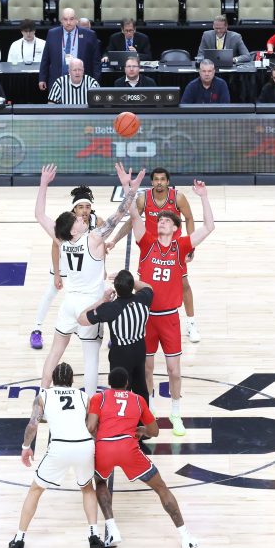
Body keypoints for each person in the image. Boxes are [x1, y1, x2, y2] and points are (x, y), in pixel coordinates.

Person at [34, 162, 143, 398]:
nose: (84, 219)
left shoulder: (62, 239)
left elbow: (39, 215)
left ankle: (41, 397)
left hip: (69, 304)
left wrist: (43, 184)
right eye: (79, 221)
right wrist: (130, 189)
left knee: (55, 352)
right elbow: (121, 213)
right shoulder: (93, 238)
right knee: (91, 357)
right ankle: (92, 403)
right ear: (73, 230)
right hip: (91, 305)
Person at [124, 168, 215, 436]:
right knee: (148, 369)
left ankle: (176, 413)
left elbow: (209, 227)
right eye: (160, 219)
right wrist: (128, 187)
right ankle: (148, 414)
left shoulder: (181, 246)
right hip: (147, 317)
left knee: (174, 370)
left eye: (166, 220)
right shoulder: (147, 243)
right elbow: (131, 214)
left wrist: (204, 197)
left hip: (170, 318)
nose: (161, 221)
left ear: (175, 228)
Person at [87, 368, 198, 548]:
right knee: (161, 488)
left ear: (109, 384)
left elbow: (91, 426)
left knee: (99, 482)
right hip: (129, 449)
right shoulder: (138, 400)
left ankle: (112, 529)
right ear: (127, 384)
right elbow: (154, 431)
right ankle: (185, 536)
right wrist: (142, 431)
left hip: (105, 447)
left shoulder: (99, 398)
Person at [9, 362, 103, 548]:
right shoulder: (83, 396)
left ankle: (19, 539)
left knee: (35, 490)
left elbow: (33, 425)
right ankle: (94, 534)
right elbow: (93, 426)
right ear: (71, 380)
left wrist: (26, 447)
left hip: (60, 446)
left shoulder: (43, 395)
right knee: (87, 488)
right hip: (84, 445)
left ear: (53, 379)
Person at [108, 167, 203, 343]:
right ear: (152, 182)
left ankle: (191, 323)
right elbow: (132, 220)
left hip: (173, 250)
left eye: (162, 179)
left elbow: (189, 218)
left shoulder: (178, 197)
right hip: (150, 250)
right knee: (143, 288)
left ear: (168, 182)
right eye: (156, 179)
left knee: (184, 284)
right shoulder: (144, 198)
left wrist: (191, 247)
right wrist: (114, 240)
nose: (159, 182)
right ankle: (138, 323)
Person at [29, 186, 105, 350]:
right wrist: (57, 274)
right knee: (51, 291)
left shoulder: (97, 221)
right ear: (74, 209)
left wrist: (102, 269)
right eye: (80, 207)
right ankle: (36, 329)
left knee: (103, 293)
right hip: (65, 261)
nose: (84, 210)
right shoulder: (66, 223)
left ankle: (111, 335)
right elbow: (56, 247)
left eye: (87, 206)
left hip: (85, 266)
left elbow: (101, 248)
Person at [78, 271, 153, 404]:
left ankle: (120, 420)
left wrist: (103, 300)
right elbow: (148, 287)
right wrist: (129, 280)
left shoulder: (111, 308)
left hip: (121, 354)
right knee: (141, 388)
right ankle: (143, 421)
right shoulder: (143, 298)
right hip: (140, 348)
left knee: (119, 392)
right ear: (131, 286)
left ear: (116, 289)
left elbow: (82, 318)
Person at [38, 8, 101, 93]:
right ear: (61, 21)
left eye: (71, 19)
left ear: (76, 20)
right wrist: (42, 78)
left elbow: (96, 61)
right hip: (57, 81)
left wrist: (95, 81)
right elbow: (46, 58)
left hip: (83, 82)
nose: (68, 22)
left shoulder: (89, 35)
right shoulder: (52, 33)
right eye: (65, 19)